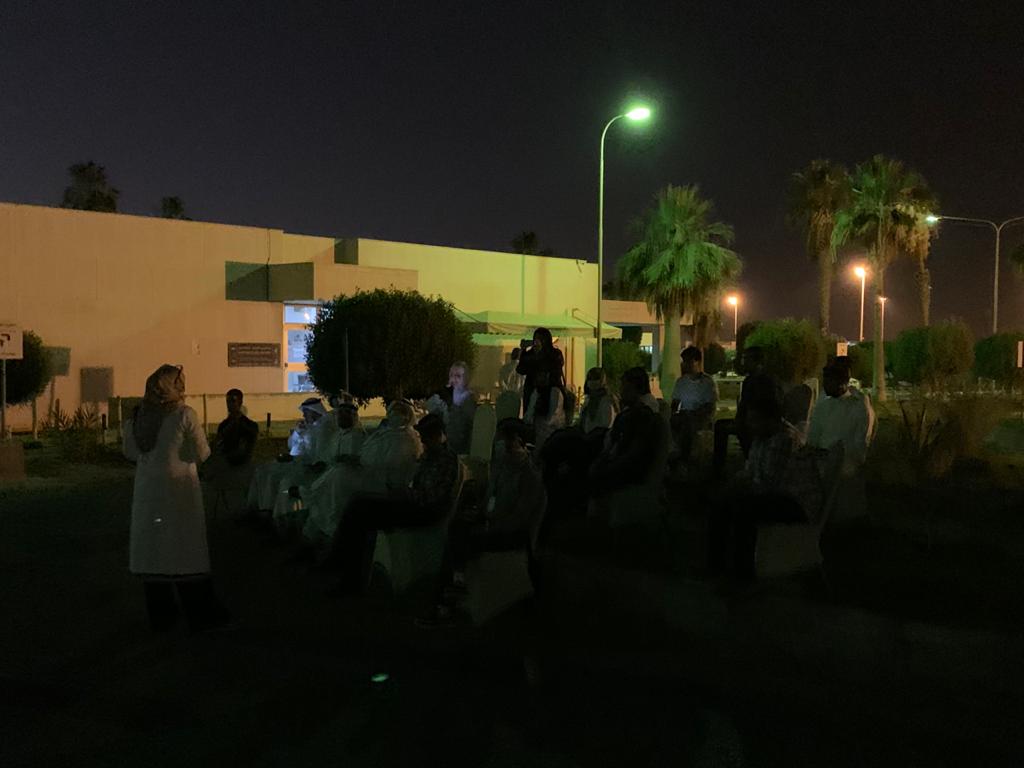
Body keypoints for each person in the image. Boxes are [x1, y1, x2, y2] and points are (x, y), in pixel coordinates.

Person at [123, 364, 231, 632]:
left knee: (154, 551)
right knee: (185, 549)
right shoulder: (184, 414)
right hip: (179, 491)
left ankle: (162, 618)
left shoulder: (137, 416)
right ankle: (199, 614)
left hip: (148, 493)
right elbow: (200, 453)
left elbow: (130, 453)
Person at [422, 419, 546, 625]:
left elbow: (520, 518)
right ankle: (451, 588)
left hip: (511, 534)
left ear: (518, 441)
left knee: (463, 538)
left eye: (503, 439)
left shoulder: (529, 476)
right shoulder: (501, 467)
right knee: (456, 527)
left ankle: (447, 596)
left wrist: (490, 522)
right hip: (492, 524)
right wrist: (479, 513)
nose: (498, 443)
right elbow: (490, 500)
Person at [329, 413, 460, 594]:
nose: (423, 442)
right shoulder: (431, 456)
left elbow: (431, 497)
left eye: (427, 438)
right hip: (414, 505)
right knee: (359, 504)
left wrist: (405, 493)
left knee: (360, 510)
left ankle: (345, 570)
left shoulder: (445, 460)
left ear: (438, 436)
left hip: (424, 512)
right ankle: (344, 566)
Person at [708, 395, 823, 581]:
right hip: (778, 494)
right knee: (723, 501)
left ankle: (742, 574)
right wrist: (732, 485)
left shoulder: (783, 439)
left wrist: (739, 489)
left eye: (754, 420)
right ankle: (717, 565)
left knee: (744, 509)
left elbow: (768, 484)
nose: (750, 425)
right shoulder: (762, 437)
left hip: (796, 502)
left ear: (770, 420)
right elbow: (750, 472)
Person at [302, 399, 423, 543]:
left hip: (382, 482)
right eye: (392, 411)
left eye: (399, 412)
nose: (394, 415)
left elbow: (392, 467)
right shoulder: (386, 434)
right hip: (367, 473)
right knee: (337, 474)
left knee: (339, 476)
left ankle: (332, 526)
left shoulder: (407, 439)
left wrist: (359, 462)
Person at [589, 367, 667, 500]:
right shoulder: (632, 409)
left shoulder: (643, 413)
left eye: (624, 388)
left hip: (625, 465)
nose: (621, 392)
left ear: (635, 389)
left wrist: (607, 461)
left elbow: (630, 449)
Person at [247, 397, 326, 513]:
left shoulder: (322, 430)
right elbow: (290, 444)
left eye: (306, 412)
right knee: (261, 471)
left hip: (301, 466)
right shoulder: (305, 427)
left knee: (275, 477)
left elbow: (313, 456)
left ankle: (269, 510)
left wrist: (293, 458)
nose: (303, 416)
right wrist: (297, 433)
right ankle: (256, 507)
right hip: (291, 462)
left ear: (314, 412)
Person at [712, 347, 783, 474]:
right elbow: (743, 405)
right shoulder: (750, 380)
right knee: (721, 425)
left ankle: (721, 468)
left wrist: (745, 420)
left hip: (760, 422)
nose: (743, 362)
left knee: (733, 429)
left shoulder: (765, 382)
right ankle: (719, 467)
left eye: (746, 359)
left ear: (756, 361)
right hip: (749, 420)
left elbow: (766, 406)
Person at [807, 358, 874, 477]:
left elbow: (859, 445)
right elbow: (813, 437)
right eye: (825, 380)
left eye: (829, 381)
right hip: (819, 462)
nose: (825, 384)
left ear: (842, 382)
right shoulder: (823, 401)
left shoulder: (858, 406)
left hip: (844, 468)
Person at [203, 388, 260, 516]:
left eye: (233, 401)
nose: (229, 404)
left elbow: (249, 447)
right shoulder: (224, 425)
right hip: (226, 463)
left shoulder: (250, 425)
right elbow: (216, 445)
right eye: (228, 401)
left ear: (240, 402)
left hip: (242, 465)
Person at [670, 346, 719, 462]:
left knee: (688, 424)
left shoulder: (707, 382)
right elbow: (675, 403)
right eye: (684, 361)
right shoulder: (681, 382)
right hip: (685, 415)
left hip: (700, 417)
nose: (685, 364)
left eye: (688, 361)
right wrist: (673, 414)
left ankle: (683, 457)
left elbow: (709, 406)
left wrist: (692, 414)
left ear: (697, 362)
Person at [426, 361, 477, 455]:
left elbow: (462, 428)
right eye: (452, 375)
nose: (454, 379)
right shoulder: (449, 395)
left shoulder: (467, 400)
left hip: (460, 450)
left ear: (465, 379)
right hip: (449, 447)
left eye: (458, 376)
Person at [516, 327, 565, 417]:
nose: (537, 341)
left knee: (548, 418)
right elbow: (520, 369)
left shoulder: (555, 353)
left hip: (549, 392)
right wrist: (523, 350)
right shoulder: (530, 354)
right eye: (535, 338)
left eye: (540, 338)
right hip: (531, 391)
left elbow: (555, 369)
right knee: (530, 417)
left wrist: (538, 355)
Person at [524, 368, 565, 453]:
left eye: (541, 375)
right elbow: (528, 416)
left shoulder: (555, 392)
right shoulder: (536, 392)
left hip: (552, 434)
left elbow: (553, 418)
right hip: (536, 432)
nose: (538, 378)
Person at [579, 367, 617, 434]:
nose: (592, 381)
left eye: (595, 378)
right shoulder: (588, 400)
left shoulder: (607, 401)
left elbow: (607, 425)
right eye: (590, 378)